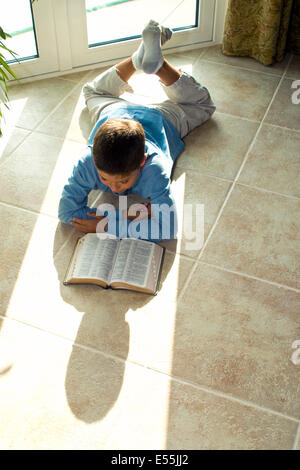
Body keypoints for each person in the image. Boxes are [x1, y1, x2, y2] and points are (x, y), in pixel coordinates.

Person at [58, 19, 216, 242]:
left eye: (122, 182)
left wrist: (106, 225)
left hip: (160, 120)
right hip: (114, 112)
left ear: (142, 161)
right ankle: (145, 60)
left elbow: (167, 230)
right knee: (91, 92)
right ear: (93, 157)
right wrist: (128, 215)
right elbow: (66, 213)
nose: (113, 188)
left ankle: (155, 64)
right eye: (104, 178)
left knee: (203, 105)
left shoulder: (154, 170)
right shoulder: (87, 162)